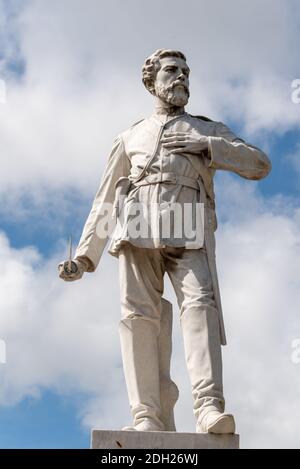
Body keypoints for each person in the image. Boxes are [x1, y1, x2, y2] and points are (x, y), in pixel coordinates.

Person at [58, 49, 271, 433]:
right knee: (137, 318)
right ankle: (146, 417)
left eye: (186, 71)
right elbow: (106, 199)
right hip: (137, 221)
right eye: (172, 70)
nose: (182, 77)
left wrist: (209, 147)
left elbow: (259, 163)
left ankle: (208, 407)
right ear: (151, 80)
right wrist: (85, 259)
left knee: (200, 306)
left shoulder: (207, 128)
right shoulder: (129, 136)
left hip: (188, 216)